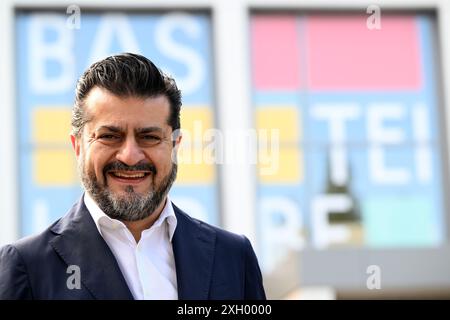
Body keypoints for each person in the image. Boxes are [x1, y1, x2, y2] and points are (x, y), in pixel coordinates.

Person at [0, 53, 266, 300]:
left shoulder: (233, 257)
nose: (129, 156)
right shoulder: (27, 267)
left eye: (149, 137)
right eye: (109, 136)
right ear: (78, 146)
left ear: (174, 146)